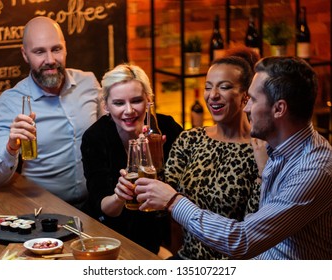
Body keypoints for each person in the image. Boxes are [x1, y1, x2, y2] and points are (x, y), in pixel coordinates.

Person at [134, 56, 332, 259]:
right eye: (208, 87)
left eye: (253, 100)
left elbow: (243, 240)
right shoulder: (276, 148)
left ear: (279, 109)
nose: (246, 108)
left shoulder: (313, 168)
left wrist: (174, 201)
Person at [131, 51, 265, 260]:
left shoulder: (259, 149)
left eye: (224, 86)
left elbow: (254, 228)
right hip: (187, 258)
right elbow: (159, 205)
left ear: (246, 95)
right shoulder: (190, 139)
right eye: (208, 87)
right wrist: (142, 172)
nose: (213, 95)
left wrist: (262, 173)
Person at [0, 16, 102, 209]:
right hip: (43, 211)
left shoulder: (88, 82)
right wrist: (11, 148)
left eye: (56, 49)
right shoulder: (11, 102)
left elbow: (106, 137)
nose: (50, 60)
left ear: (65, 48)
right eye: (39, 52)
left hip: (96, 204)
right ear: (25, 55)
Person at [80, 63, 183, 254]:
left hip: (159, 231)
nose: (129, 111)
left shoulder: (166, 128)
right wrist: (119, 196)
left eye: (136, 100)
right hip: (109, 235)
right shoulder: (95, 137)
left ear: (148, 99)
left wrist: (162, 165)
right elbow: (103, 207)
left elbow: (185, 189)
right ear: (106, 105)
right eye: (119, 103)